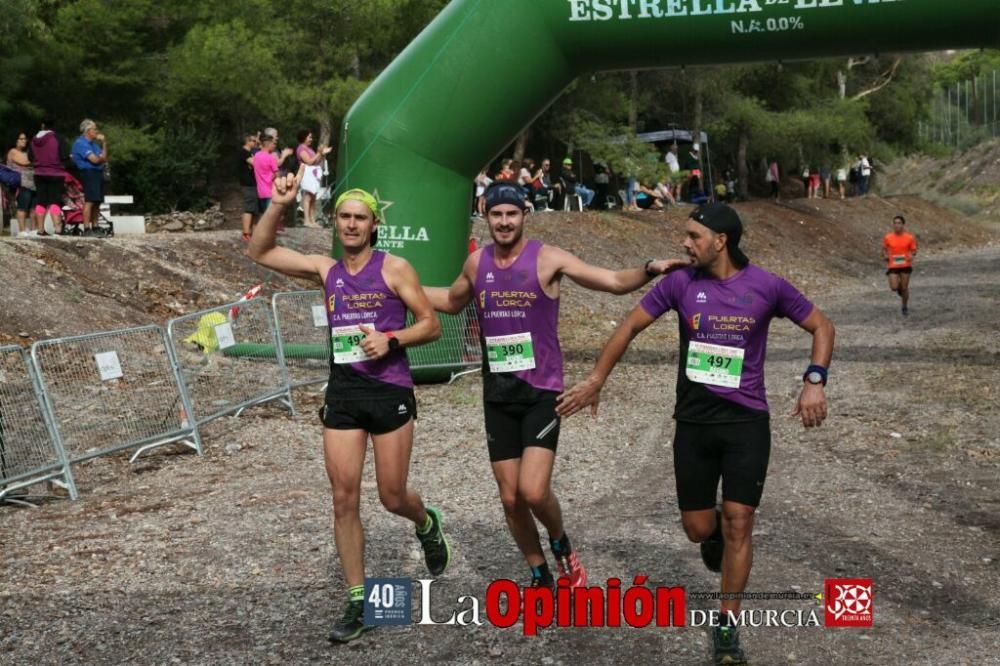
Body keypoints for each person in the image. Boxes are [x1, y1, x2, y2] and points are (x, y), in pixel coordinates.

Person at [556, 202, 835, 665]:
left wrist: (814, 380)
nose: (684, 243)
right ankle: (714, 536)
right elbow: (629, 326)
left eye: (693, 236)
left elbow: (822, 325)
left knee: (740, 520)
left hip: (746, 422)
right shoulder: (680, 283)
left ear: (720, 241)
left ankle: (727, 626)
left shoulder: (766, 286)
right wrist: (596, 379)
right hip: (694, 423)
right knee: (698, 527)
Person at [425, 182, 679, 589]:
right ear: (485, 216)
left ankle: (560, 542)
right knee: (510, 499)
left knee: (533, 491)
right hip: (498, 394)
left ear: (525, 214)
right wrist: (395, 287)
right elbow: (452, 300)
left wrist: (648, 268)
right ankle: (539, 572)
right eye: (496, 214)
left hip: (542, 392)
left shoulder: (547, 258)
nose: (504, 222)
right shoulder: (478, 263)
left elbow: (611, 280)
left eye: (511, 214)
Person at [246, 167, 450, 643]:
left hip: (389, 392)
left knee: (392, 496)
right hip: (343, 394)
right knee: (344, 499)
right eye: (344, 217)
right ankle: (359, 601)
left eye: (361, 217)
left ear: (373, 224)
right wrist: (279, 204)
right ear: (335, 223)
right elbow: (259, 251)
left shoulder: (395, 268)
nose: (352, 225)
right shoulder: (326, 270)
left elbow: (430, 324)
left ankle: (426, 522)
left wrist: (391, 338)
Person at [30, 117, 67, 236]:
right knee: (54, 201)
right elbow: (65, 155)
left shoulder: (33, 140)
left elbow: (30, 157)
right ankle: (57, 229)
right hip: (55, 173)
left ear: (42, 126)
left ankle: (40, 229)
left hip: (39, 173)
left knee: (41, 201)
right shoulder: (58, 138)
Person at [71, 119, 108, 236]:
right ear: (87, 131)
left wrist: (104, 143)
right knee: (90, 201)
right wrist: (100, 158)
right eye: (94, 129)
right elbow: (96, 160)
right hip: (88, 172)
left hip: (98, 173)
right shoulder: (80, 143)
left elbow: (104, 157)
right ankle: (87, 228)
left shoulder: (94, 145)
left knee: (97, 201)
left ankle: (95, 226)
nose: (96, 131)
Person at [296, 129, 332, 229]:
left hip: (313, 175)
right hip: (307, 174)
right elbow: (309, 161)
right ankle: (306, 220)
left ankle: (312, 220)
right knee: (307, 197)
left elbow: (316, 161)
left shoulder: (309, 149)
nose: (311, 139)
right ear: (304, 137)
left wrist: (322, 154)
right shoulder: (301, 149)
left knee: (313, 198)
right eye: (309, 137)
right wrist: (319, 152)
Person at [882, 214, 918, 316]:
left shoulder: (909, 237)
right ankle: (899, 291)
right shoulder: (888, 237)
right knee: (894, 287)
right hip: (893, 265)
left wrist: (911, 255)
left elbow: (914, 250)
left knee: (905, 287)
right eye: (895, 223)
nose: (897, 225)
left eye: (899, 223)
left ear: (903, 225)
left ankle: (904, 307)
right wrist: (885, 256)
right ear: (893, 225)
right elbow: (884, 249)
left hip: (905, 265)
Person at [252, 135, 292, 216]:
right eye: (273, 143)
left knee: (263, 215)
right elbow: (277, 174)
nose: (274, 146)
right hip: (270, 191)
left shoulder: (256, 156)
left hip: (260, 191)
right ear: (268, 144)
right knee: (270, 216)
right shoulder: (270, 158)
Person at [6, 132, 36, 236]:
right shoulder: (13, 151)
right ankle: (22, 230)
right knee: (23, 206)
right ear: (15, 140)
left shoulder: (27, 152)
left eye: (25, 139)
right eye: (21, 139)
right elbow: (25, 162)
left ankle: (34, 229)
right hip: (21, 183)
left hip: (32, 182)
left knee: (33, 207)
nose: (24, 141)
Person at [238, 132, 258, 242]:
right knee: (249, 207)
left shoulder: (250, 153)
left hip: (253, 184)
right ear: (248, 141)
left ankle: (251, 231)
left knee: (253, 208)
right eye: (254, 141)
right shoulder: (243, 152)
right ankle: (246, 232)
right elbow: (255, 163)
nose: (256, 143)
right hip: (247, 183)